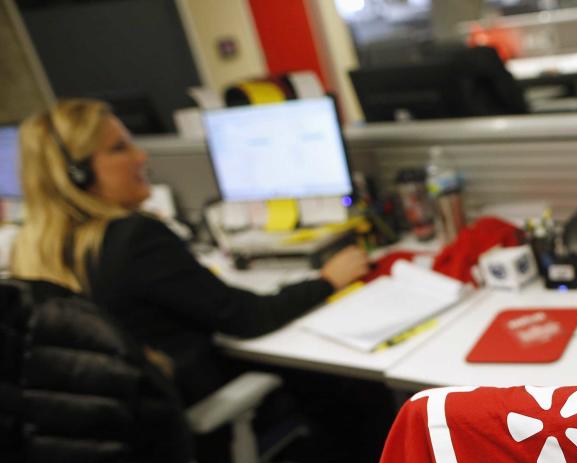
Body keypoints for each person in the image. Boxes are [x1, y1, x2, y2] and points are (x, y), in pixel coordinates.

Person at [12, 98, 369, 405]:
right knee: (338, 387)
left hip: (120, 434)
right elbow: (248, 318)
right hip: (184, 420)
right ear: (77, 174)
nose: (141, 156)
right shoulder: (133, 238)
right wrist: (326, 280)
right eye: (119, 148)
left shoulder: (32, 249)